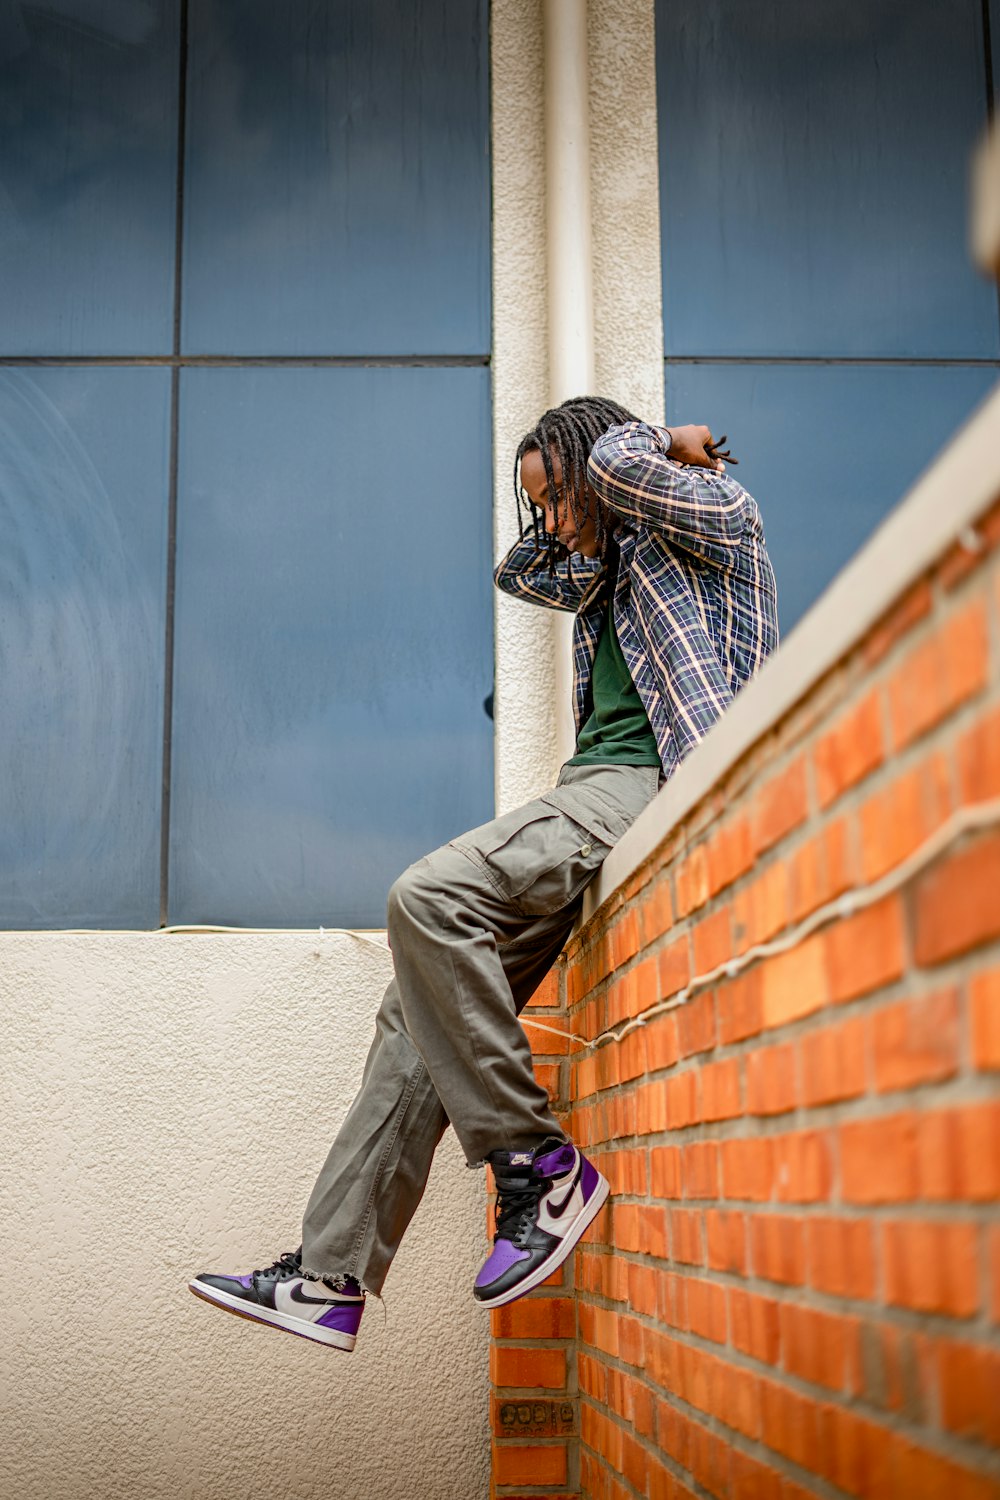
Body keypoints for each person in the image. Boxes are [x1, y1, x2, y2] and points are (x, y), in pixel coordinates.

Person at [188, 397, 779, 1351]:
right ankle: (330, 1274)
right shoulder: (608, 558)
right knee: (413, 1008)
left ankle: (537, 1165)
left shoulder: (717, 516)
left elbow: (626, 474)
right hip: (592, 788)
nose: (548, 521)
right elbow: (524, 571)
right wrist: (568, 499)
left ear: (602, 468)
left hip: (656, 781)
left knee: (427, 895)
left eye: (557, 498)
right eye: (539, 502)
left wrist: (654, 439)